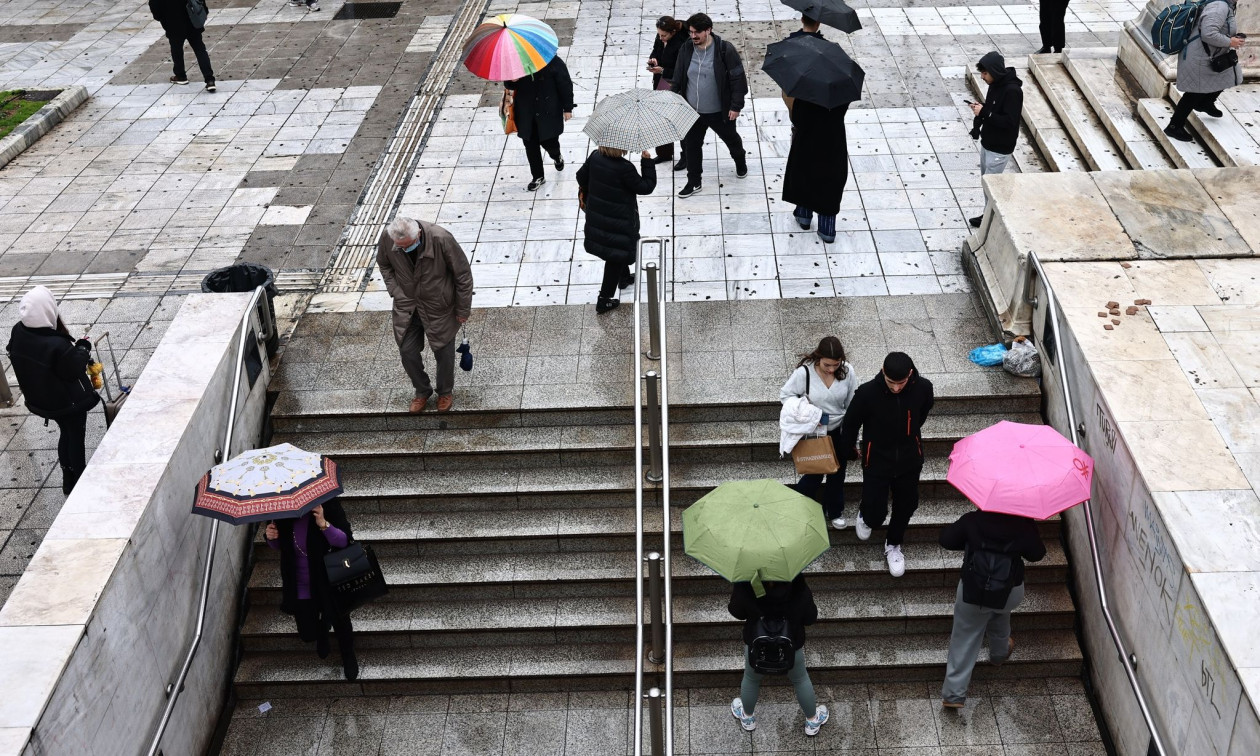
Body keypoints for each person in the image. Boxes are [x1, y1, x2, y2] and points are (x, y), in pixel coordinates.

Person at [837, 352, 935, 577]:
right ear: (883, 372)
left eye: (901, 383)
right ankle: (866, 513)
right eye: (891, 382)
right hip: (877, 460)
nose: (896, 388)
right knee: (875, 512)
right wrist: (849, 450)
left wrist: (910, 434)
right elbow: (850, 424)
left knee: (907, 504)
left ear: (910, 375)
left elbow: (922, 413)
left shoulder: (923, 388)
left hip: (910, 460)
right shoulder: (867, 393)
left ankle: (893, 544)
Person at [939, 508, 1047, 707]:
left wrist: (972, 542)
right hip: (1009, 592)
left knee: (965, 635)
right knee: (999, 612)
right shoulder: (1024, 526)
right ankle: (999, 653)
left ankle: (954, 695)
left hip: (974, 591)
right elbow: (1037, 554)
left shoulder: (973, 520)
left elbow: (946, 540)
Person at [5, 286, 100, 495]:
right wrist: (83, 348)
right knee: (75, 437)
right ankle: (79, 481)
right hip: (68, 402)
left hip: (44, 400)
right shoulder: (56, 344)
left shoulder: (19, 331)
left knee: (65, 433)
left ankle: (68, 479)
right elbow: (73, 369)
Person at [377, 216, 474, 413]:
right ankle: (422, 390)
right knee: (407, 352)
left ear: (419, 234)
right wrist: (395, 290)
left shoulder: (441, 238)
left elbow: (463, 275)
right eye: (400, 247)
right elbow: (384, 264)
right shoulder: (388, 237)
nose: (404, 249)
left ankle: (445, 392)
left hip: (439, 306)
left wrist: (463, 309)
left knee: (444, 353)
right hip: (407, 306)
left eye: (408, 245)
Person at [263, 500, 359, 680]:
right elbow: (279, 545)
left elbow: (344, 540)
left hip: (328, 577)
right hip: (299, 582)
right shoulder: (279, 507)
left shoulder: (327, 505)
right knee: (307, 634)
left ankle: (348, 654)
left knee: (340, 622)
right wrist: (271, 537)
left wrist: (323, 524)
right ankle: (323, 629)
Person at [728, 575, 830, 736]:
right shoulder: (796, 584)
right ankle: (812, 720)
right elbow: (810, 617)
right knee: (800, 679)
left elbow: (736, 611)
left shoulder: (746, 582)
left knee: (751, 679)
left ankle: (747, 718)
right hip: (790, 645)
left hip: (757, 644)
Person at [778, 337, 857, 528]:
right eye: (827, 365)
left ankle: (834, 511)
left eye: (836, 365)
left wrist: (854, 438)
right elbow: (785, 396)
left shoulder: (847, 371)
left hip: (839, 429)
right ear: (818, 358)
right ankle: (800, 506)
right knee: (814, 472)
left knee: (838, 472)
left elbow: (853, 404)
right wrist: (808, 411)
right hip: (815, 431)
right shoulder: (804, 373)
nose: (831, 369)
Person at [670, 13, 749, 198]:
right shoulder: (686, 48)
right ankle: (694, 182)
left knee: (731, 140)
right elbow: (678, 75)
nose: (693, 36)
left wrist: (736, 106)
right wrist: (673, 97)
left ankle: (740, 160)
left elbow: (738, 79)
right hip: (692, 111)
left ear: (708, 30)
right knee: (692, 147)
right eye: (690, 32)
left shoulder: (725, 50)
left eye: (697, 32)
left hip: (719, 111)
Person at [576, 146, 657, 314]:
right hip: (619, 220)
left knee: (618, 249)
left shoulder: (595, 156)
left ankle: (624, 278)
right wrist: (647, 162)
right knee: (615, 256)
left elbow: (580, 177)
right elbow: (646, 187)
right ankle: (604, 299)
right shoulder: (624, 168)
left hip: (599, 216)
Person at [1164, 0, 1244, 143]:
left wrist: (1231, 38)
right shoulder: (1219, 7)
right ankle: (1174, 126)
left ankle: (1206, 103)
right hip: (1200, 57)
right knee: (1194, 93)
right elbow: (1209, 34)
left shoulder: (1226, 5)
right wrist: (1230, 42)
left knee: (1228, 75)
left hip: (1209, 53)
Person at [782, 97, 850, 244]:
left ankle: (804, 217)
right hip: (833, 145)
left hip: (808, 143)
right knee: (830, 186)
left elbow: (797, 119)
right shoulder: (840, 95)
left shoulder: (805, 95)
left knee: (805, 177)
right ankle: (827, 230)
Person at [967, 52, 1022, 228]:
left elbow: (1009, 122)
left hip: (999, 148)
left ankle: (991, 220)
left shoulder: (1013, 91)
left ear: (994, 71)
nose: (982, 77)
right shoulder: (995, 85)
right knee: (987, 184)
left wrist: (985, 112)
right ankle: (987, 215)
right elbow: (993, 109)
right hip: (988, 142)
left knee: (992, 186)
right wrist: (981, 109)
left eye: (985, 73)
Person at [504, 56, 575, 191]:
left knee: (550, 142)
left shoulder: (553, 61)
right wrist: (511, 81)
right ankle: (538, 176)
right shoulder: (517, 62)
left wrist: (568, 108)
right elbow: (509, 85)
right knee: (530, 145)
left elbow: (565, 85)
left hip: (547, 111)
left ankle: (556, 156)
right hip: (526, 112)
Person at [149, 0, 215, 92]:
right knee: (200, 50)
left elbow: (154, 4)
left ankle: (180, 75)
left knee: (176, 49)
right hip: (191, 20)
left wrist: (160, 17)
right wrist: (203, 10)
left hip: (172, 22)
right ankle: (210, 80)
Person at [647, 16, 688, 164]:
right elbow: (655, 51)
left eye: (664, 35)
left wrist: (663, 70)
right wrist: (653, 60)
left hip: (677, 85)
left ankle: (686, 156)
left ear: (673, 32)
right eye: (659, 34)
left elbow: (682, 69)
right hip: (661, 83)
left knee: (681, 121)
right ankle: (664, 153)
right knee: (661, 119)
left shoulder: (682, 44)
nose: (660, 38)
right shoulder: (661, 37)